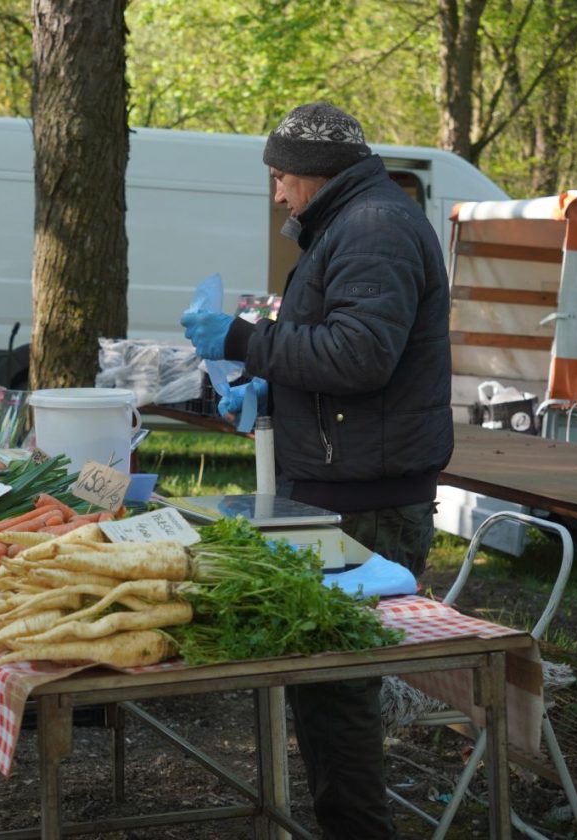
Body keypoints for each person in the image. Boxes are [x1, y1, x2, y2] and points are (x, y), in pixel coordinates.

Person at [180, 101, 453, 839]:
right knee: (326, 691)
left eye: (278, 178)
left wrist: (245, 339)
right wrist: (275, 385)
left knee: (338, 695)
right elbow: (339, 348)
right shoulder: (353, 221)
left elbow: (361, 356)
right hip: (344, 481)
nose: (276, 195)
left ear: (310, 172)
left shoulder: (374, 229)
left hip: (366, 501)